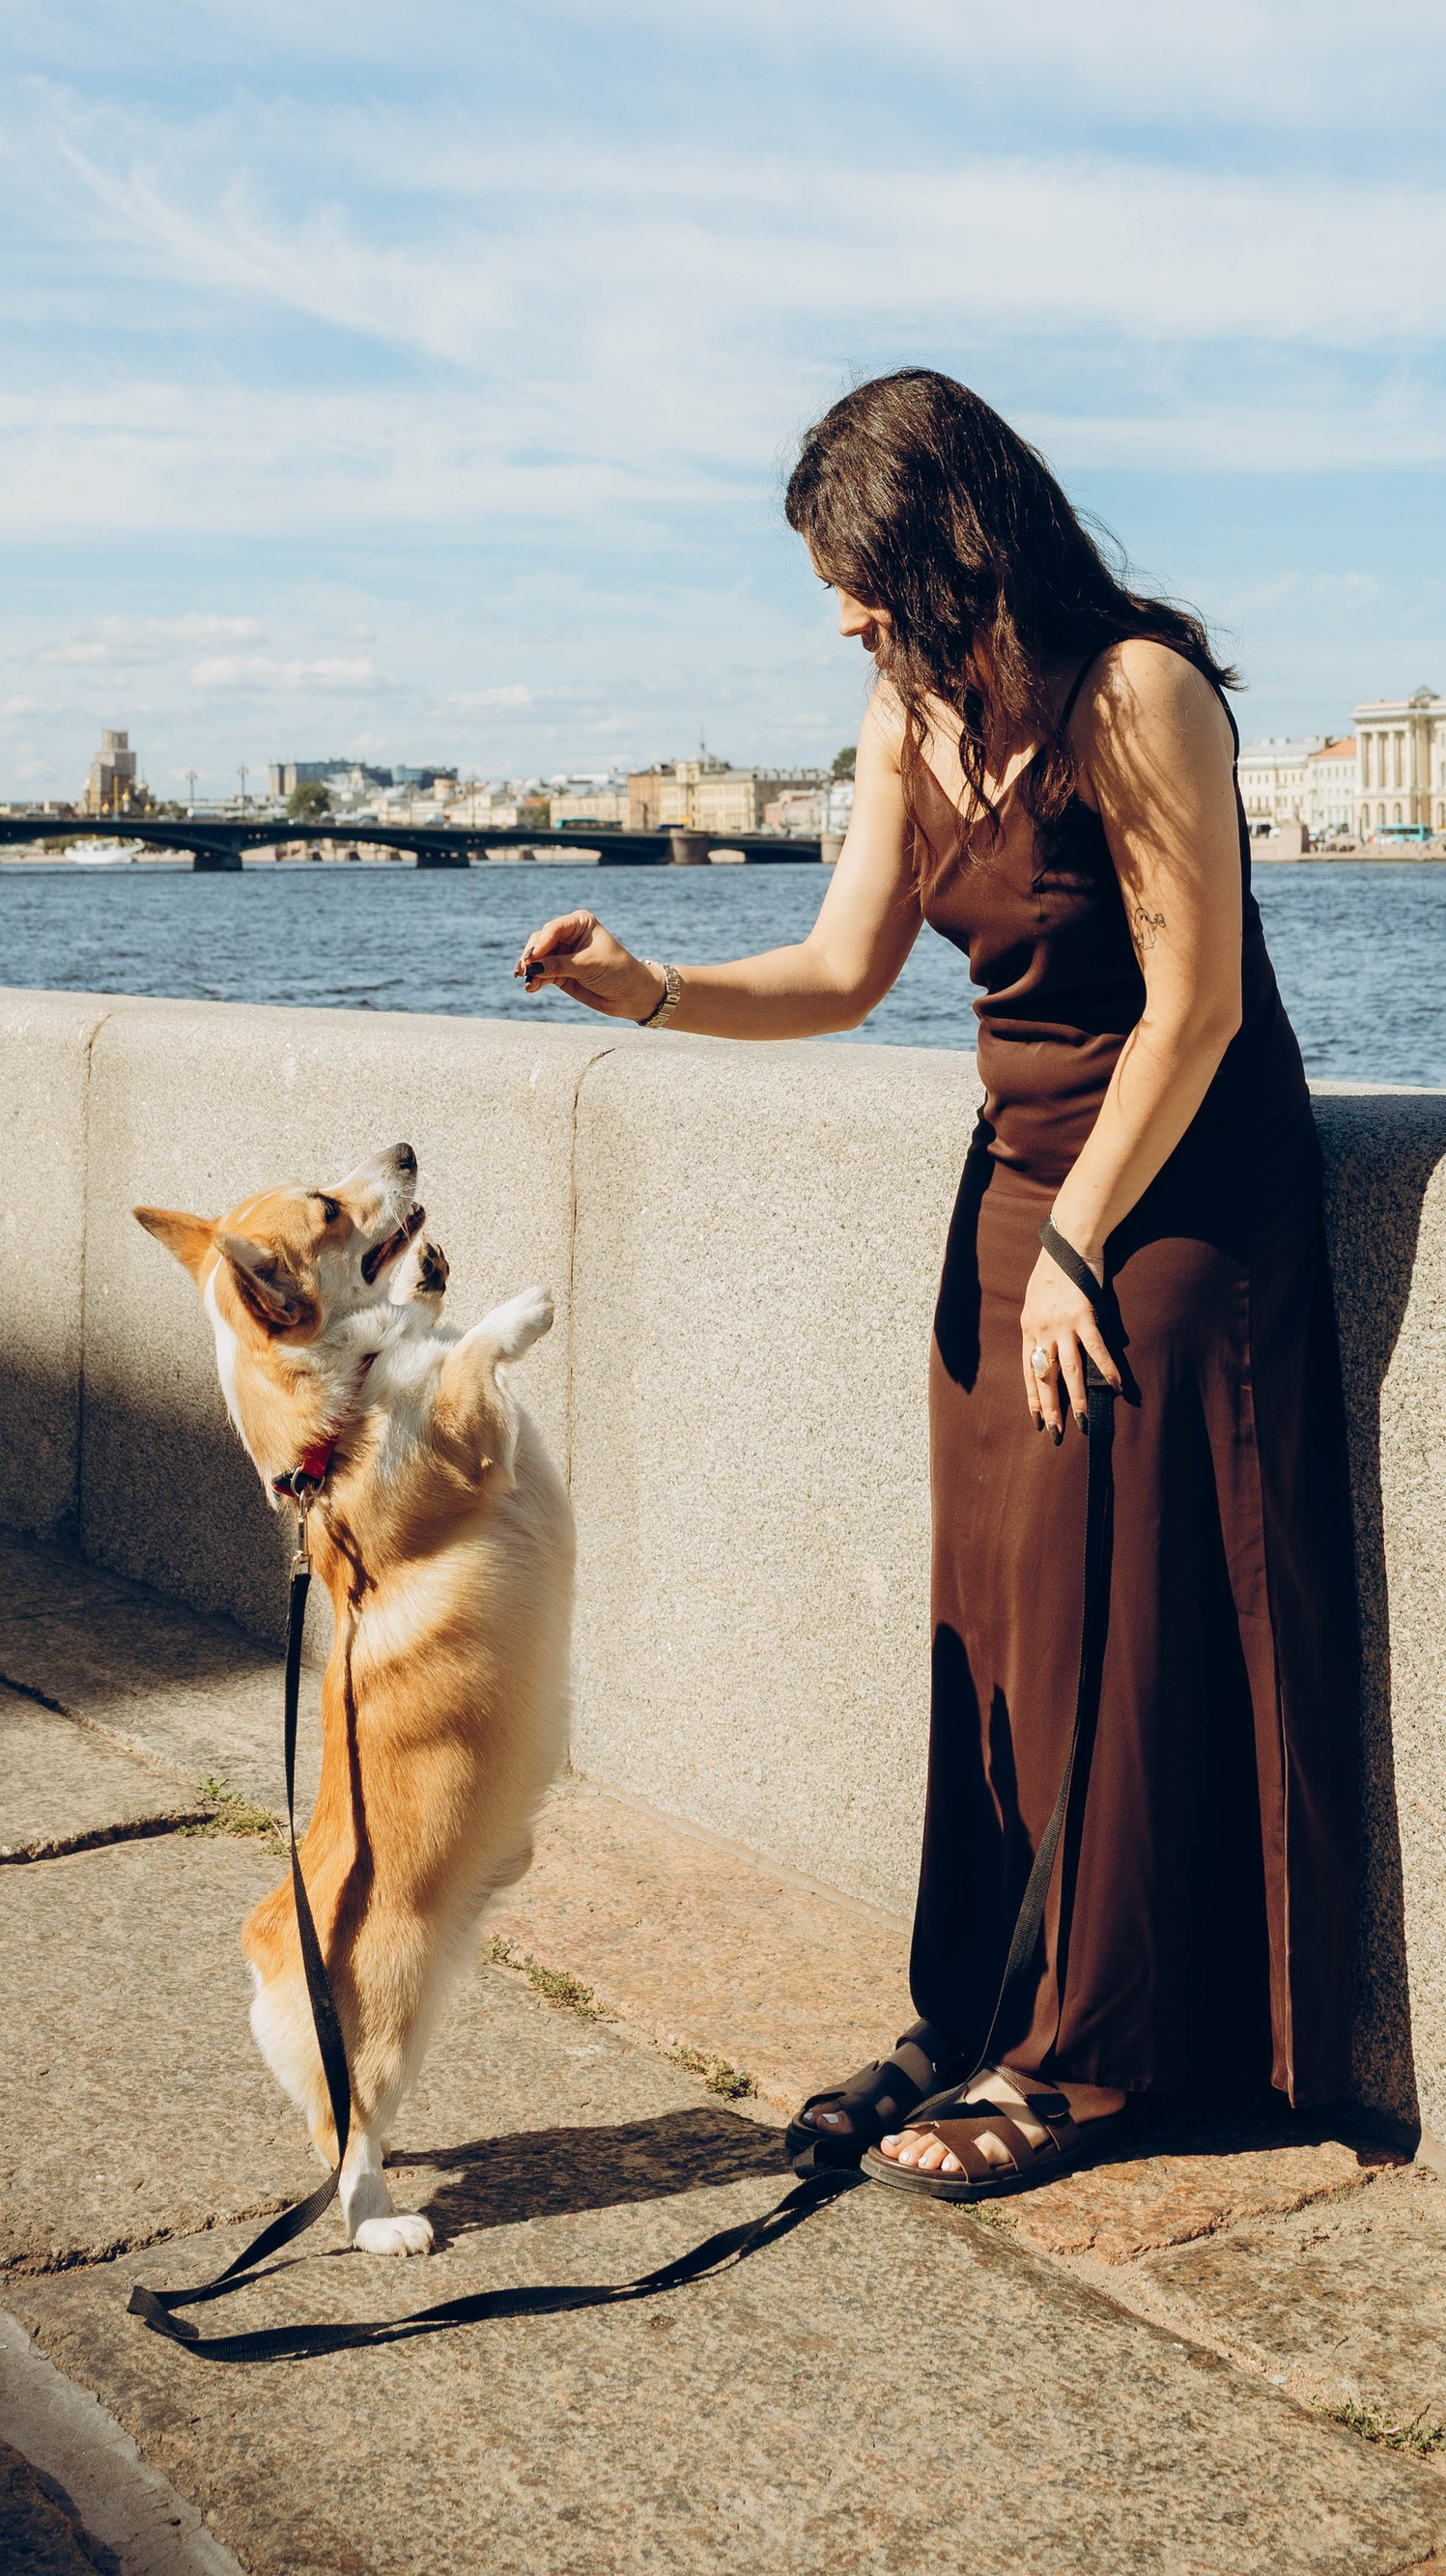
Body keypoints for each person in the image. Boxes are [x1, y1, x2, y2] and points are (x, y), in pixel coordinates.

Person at [514, 368, 1360, 2200]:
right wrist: (646, 987)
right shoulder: (909, 712)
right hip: (1019, 1180)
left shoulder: (1137, 693)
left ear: (946, 539)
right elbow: (838, 972)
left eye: (856, 570)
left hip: (1184, 1177)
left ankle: (1103, 2065)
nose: (838, 611)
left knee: (1112, 1608)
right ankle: (986, 2006)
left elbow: (1195, 1000)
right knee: (998, 1600)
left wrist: (1083, 1247)